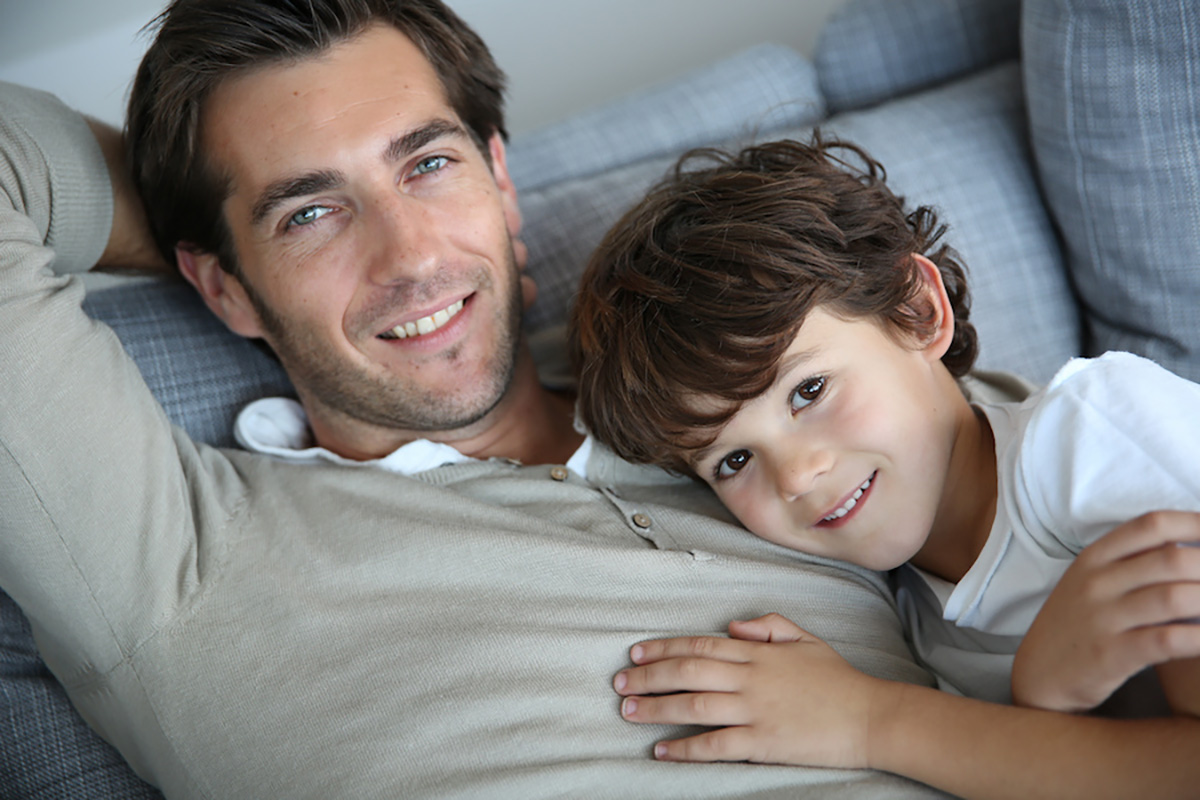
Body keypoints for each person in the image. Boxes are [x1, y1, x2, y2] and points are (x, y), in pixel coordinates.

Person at [0, 1, 1197, 799]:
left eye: (427, 164)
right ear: (218, 279)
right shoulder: (177, 554)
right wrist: (214, 230)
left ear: (501, 181)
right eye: (310, 211)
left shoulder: (725, 394)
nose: (411, 253)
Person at [570, 132, 1200, 795]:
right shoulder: (913, 620)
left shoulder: (1092, 436)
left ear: (917, 312)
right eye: (733, 461)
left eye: (808, 391)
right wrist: (1044, 697)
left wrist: (870, 721)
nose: (795, 476)